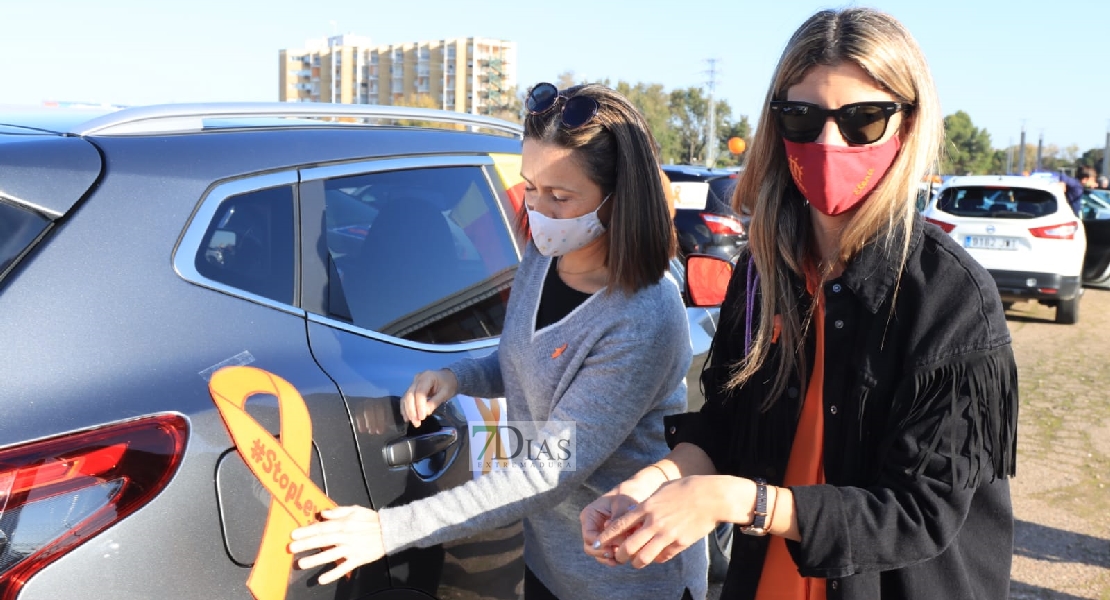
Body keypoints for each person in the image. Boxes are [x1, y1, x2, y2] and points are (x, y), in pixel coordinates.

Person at [582, 8, 1018, 600]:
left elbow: (920, 514)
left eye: (863, 119)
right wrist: (654, 483)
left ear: (908, 124)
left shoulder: (950, 295)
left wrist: (739, 501)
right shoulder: (764, 267)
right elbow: (727, 425)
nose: (828, 142)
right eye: (801, 117)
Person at [289, 82, 709, 600]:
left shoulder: (644, 315)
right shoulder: (542, 256)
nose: (537, 211)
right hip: (551, 557)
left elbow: (547, 471)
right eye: (530, 188)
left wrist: (385, 531)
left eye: (560, 196)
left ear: (620, 200)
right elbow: (523, 356)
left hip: (624, 571)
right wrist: (459, 376)